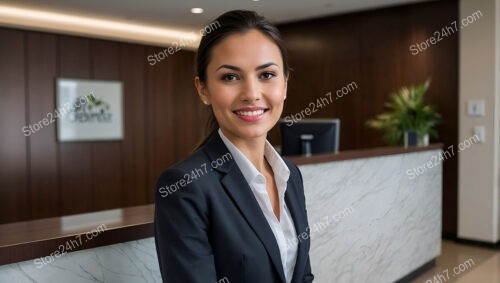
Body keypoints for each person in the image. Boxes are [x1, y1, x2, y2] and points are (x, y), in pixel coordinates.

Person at [154, 10, 314, 283]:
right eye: (230, 77)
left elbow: (302, 275)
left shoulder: (290, 174)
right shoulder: (185, 186)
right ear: (203, 89)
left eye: (267, 74)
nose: (251, 93)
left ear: (285, 85)